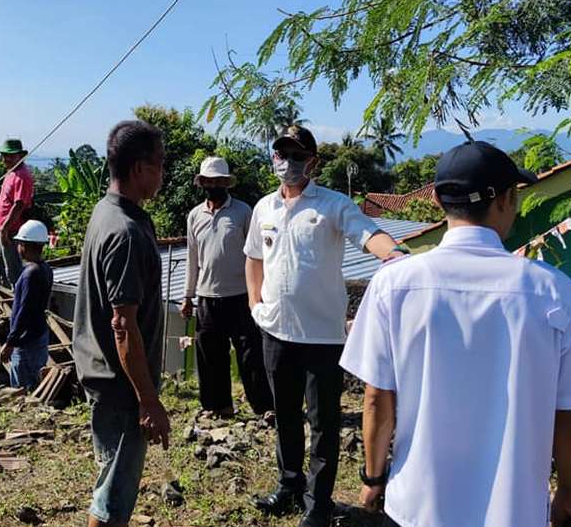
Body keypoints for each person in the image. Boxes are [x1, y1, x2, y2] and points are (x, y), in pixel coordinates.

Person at [341, 141, 571, 527]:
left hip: (417, 506)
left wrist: (373, 477)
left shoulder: (394, 285)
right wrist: (570, 491)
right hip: (514, 510)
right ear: (505, 200)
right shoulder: (551, 289)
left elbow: (378, 399)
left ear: (438, 201)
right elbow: (569, 412)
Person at [245, 125, 407, 527]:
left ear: (313, 162)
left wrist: (398, 255)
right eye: (282, 154)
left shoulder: (333, 205)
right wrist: (255, 304)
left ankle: (317, 505)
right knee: (284, 415)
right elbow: (253, 259)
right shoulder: (264, 208)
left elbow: (367, 234)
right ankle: (288, 486)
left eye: (297, 156)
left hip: (322, 338)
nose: (288, 163)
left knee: (323, 424)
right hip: (275, 331)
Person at [73, 120, 169, 527]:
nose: (164, 173)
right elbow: (123, 326)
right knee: (113, 497)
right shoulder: (125, 231)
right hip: (121, 384)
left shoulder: (108, 211)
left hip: (109, 377)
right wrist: (148, 401)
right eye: (159, 164)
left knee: (111, 484)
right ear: (137, 170)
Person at [181, 156, 273, 417]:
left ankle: (264, 406)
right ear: (202, 184)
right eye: (208, 181)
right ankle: (216, 406)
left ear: (226, 183)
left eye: (218, 181)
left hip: (241, 295)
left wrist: (260, 292)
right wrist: (188, 296)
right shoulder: (194, 216)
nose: (213, 185)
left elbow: (256, 256)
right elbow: (192, 258)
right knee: (210, 354)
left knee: (250, 353)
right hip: (207, 295)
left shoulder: (243, 212)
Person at [0, 220, 54, 391]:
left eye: (19, 243)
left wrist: (10, 342)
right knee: (36, 381)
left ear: (24, 245)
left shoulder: (31, 274)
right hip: (39, 335)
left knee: (23, 389)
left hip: (27, 341)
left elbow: (24, 312)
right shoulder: (45, 269)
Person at [0, 139, 34, 285]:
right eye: (5, 155)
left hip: (12, 230)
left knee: (13, 271)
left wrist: (4, 228)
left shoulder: (22, 176)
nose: (7, 159)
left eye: (11, 155)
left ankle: (16, 302)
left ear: (20, 156)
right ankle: (9, 299)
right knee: (1, 266)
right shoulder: (12, 173)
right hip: (5, 228)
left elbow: (19, 205)